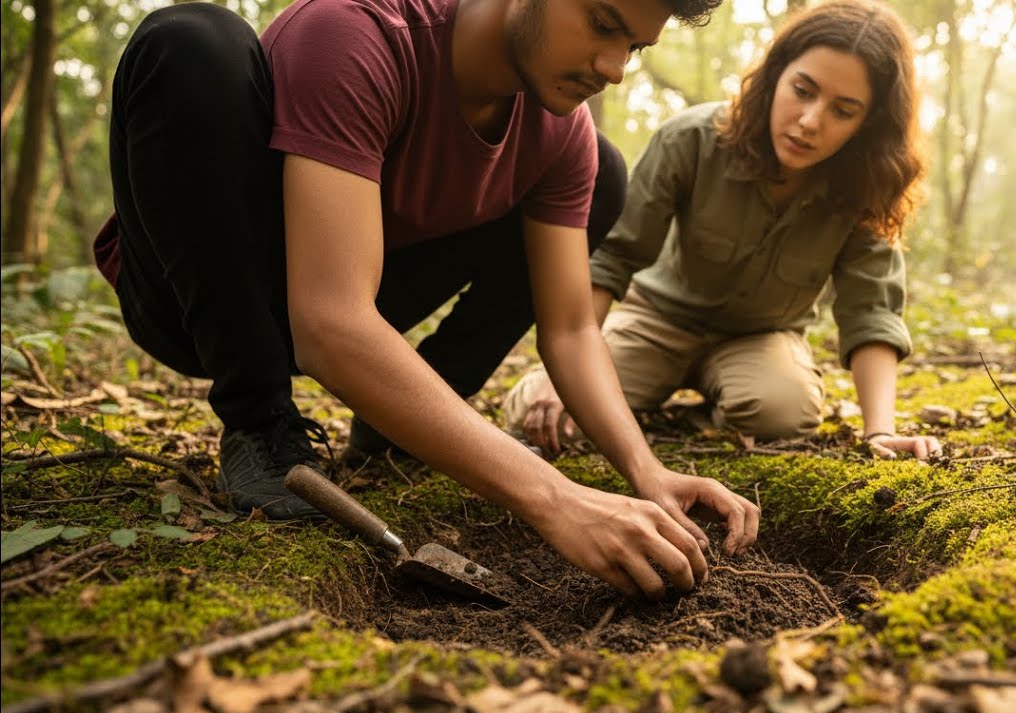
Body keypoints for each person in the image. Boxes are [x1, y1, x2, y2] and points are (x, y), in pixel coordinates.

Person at [94, 0, 760, 601]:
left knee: (604, 172)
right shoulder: (359, 36)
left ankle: (394, 430)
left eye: (636, 47)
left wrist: (646, 470)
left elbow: (570, 331)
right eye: (603, 24)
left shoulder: (559, 132)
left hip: (357, 294)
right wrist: (555, 499)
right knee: (189, 42)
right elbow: (329, 323)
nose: (614, 68)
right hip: (199, 298)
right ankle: (260, 422)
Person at [505, 0, 942, 460]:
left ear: (868, 124)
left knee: (782, 415)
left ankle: (699, 413)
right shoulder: (689, 140)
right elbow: (613, 260)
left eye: (843, 110)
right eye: (803, 90)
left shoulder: (868, 188)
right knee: (550, 415)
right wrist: (566, 380)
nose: (810, 121)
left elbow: (871, 312)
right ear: (775, 76)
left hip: (762, 337)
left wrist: (879, 432)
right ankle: (608, 393)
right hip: (654, 319)